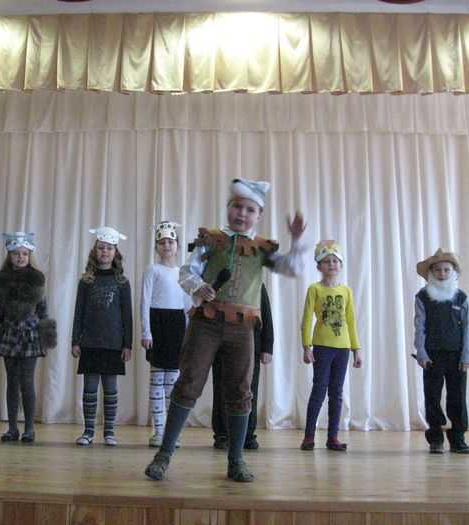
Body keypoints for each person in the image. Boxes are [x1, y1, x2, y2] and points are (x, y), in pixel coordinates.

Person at [145, 178, 306, 482]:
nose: (242, 213)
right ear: (229, 207)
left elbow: (292, 268)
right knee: (188, 383)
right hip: (205, 325)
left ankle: (236, 459)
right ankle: (163, 455)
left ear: (259, 215)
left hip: (242, 330)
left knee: (240, 391)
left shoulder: (262, 248)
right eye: (237, 206)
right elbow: (187, 272)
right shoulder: (211, 240)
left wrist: (296, 241)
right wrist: (198, 286)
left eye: (250, 209)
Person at [0, 232, 56, 443]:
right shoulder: (1, 281)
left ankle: (29, 428)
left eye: (25, 254)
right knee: (12, 382)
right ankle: (12, 428)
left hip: (30, 336)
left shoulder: (37, 279)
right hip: (9, 335)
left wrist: (45, 340)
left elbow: (43, 311)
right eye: (16, 254)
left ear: (29, 256)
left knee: (27, 382)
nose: (20, 257)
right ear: (9, 255)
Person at [72, 227, 132, 447]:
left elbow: (127, 315)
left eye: (109, 248)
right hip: (90, 342)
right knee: (89, 388)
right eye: (101, 248)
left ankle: (109, 432)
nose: (104, 251)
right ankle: (88, 431)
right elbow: (78, 312)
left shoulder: (122, 282)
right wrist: (75, 340)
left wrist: (127, 344)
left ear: (115, 252)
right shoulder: (86, 281)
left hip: (113, 343)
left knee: (110, 389)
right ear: (94, 251)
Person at [300, 240, 362, 452]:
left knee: (336, 393)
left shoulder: (346, 291)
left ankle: (333, 437)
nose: (331, 265)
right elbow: (307, 319)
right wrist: (306, 346)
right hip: (322, 346)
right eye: (326, 261)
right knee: (319, 390)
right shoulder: (314, 289)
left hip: (342, 348)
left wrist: (356, 350)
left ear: (341, 265)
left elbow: (351, 321)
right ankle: (309, 436)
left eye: (335, 261)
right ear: (319, 266)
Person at [413, 248, 469, 454]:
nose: (442, 273)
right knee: (432, 397)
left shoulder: (461, 297)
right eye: (437, 270)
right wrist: (421, 352)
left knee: (458, 398)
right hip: (432, 356)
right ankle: (435, 438)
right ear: (431, 273)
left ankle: (458, 439)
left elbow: (467, 328)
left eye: (446, 269)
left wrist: (466, 355)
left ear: (453, 272)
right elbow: (419, 326)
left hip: (457, 356)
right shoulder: (423, 297)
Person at [141, 221, 191, 447]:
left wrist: (188, 333)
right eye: (162, 242)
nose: (167, 246)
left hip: (176, 325)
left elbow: (187, 305)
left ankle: (171, 433)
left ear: (177, 245)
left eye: (170, 242)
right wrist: (146, 331)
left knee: (172, 384)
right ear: (156, 247)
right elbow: (144, 302)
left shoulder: (183, 273)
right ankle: (158, 431)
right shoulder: (152, 270)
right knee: (156, 381)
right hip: (157, 323)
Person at [212, 283, 273, 450]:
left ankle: (248, 435)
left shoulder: (256, 282)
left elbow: (266, 314)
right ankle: (222, 434)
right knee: (221, 389)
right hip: (221, 346)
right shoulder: (219, 279)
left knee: (249, 390)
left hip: (252, 345)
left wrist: (267, 347)